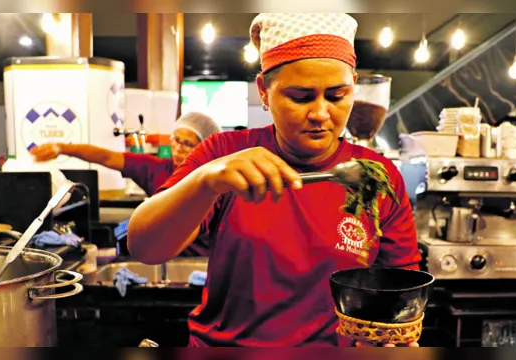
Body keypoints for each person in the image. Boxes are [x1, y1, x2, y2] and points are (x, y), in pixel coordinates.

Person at [127, 13, 421, 347]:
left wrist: (390, 339)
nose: (321, 113)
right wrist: (205, 182)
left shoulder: (377, 177)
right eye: (300, 97)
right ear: (264, 92)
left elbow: (402, 292)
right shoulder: (223, 153)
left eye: (337, 96)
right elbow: (145, 247)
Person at [30, 112, 222, 197]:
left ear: (204, 148)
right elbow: (106, 157)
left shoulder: (212, 180)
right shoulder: (154, 169)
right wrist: (61, 148)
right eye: (176, 140)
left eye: (188, 144)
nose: (179, 148)